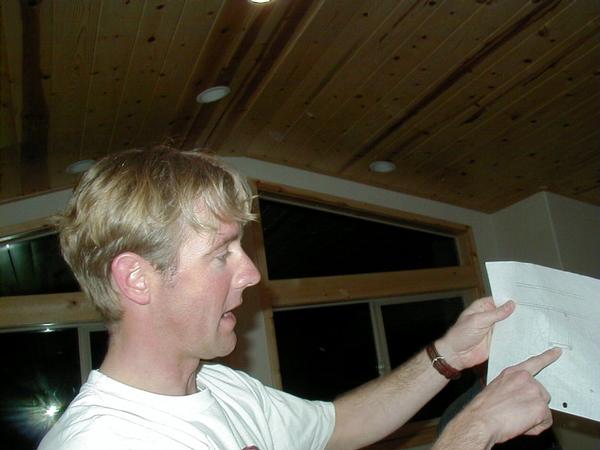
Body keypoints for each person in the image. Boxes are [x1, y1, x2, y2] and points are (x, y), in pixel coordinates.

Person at [38, 146, 561, 450]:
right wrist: (470, 432)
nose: (250, 273)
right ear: (136, 278)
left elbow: (338, 426)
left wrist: (447, 356)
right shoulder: (107, 441)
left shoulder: (220, 386)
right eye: (221, 254)